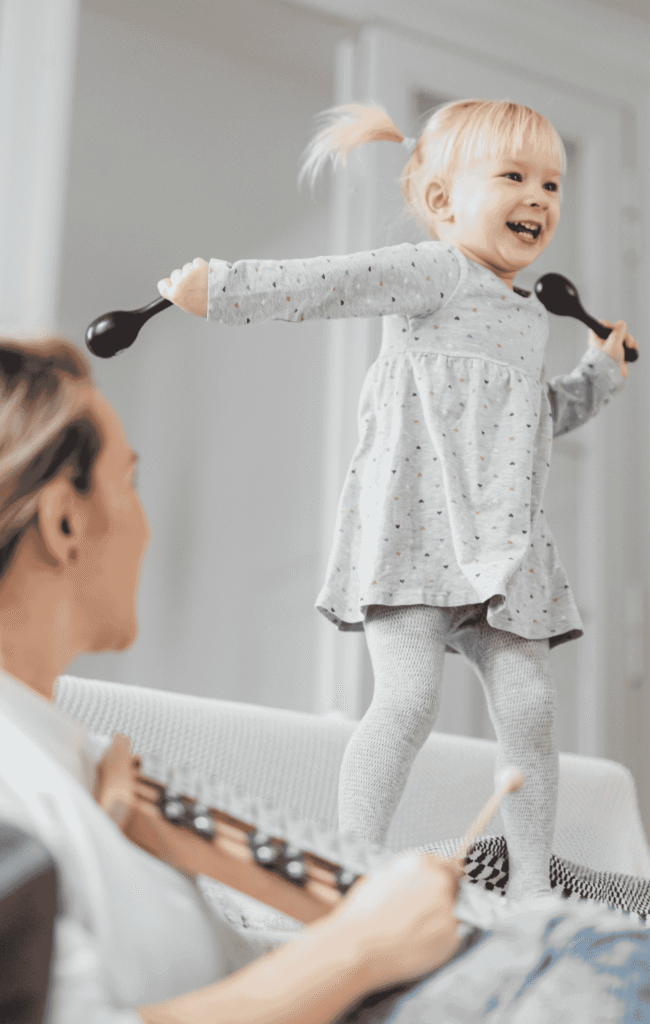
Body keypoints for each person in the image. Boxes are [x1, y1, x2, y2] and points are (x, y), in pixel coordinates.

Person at [157, 98, 639, 903]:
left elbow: (535, 422)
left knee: (531, 709)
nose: (541, 198)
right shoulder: (433, 270)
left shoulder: (529, 318)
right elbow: (327, 286)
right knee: (409, 700)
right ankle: (347, 867)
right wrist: (225, 289)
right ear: (445, 203)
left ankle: (529, 889)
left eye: (553, 184)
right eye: (515, 176)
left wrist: (600, 372)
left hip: (505, 549)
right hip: (418, 533)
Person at [0, 335, 465, 1024]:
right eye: (128, 482)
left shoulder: (79, 765)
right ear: (65, 520)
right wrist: (358, 950)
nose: (146, 528)